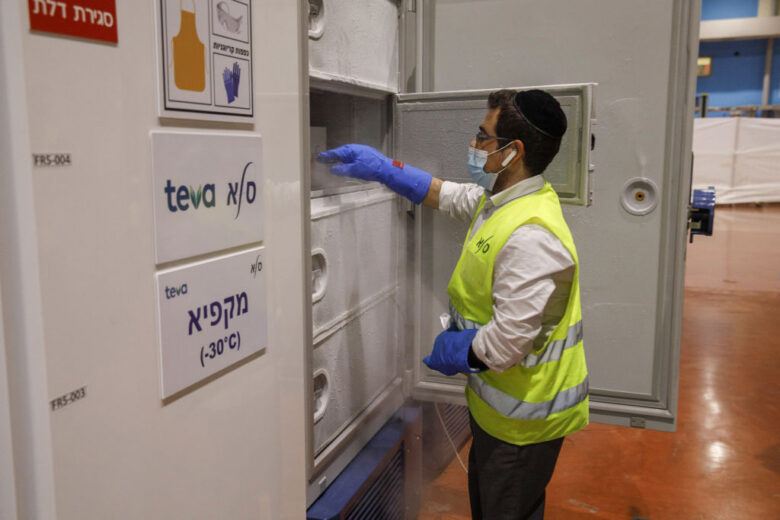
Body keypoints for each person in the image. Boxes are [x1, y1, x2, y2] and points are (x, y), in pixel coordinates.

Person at [318, 89, 588, 520]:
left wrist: (453, 350)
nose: (473, 144)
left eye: (483, 136)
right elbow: (447, 195)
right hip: (500, 411)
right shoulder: (504, 201)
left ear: (513, 152)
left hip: (522, 425)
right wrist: (386, 169)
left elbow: (505, 345)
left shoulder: (531, 236)